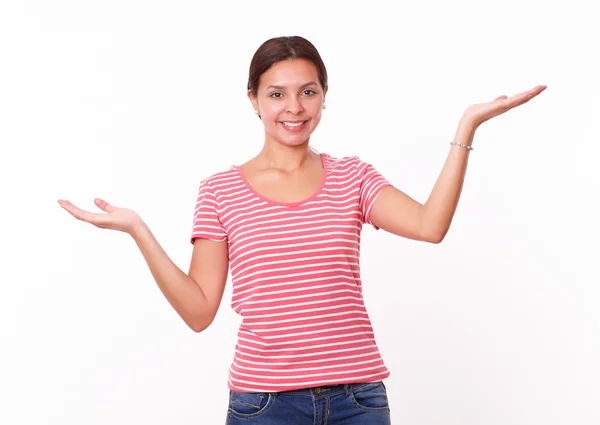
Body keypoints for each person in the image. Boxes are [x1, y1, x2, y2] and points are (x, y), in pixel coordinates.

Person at [58, 36, 546, 424]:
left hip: (359, 401)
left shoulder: (352, 177)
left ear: (324, 97)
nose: (294, 107)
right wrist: (140, 230)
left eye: (307, 91)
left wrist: (467, 127)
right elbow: (199, 311)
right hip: (265, 406)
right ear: (253, 99)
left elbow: (429, 225)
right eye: (277, 93)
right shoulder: (220, 192)